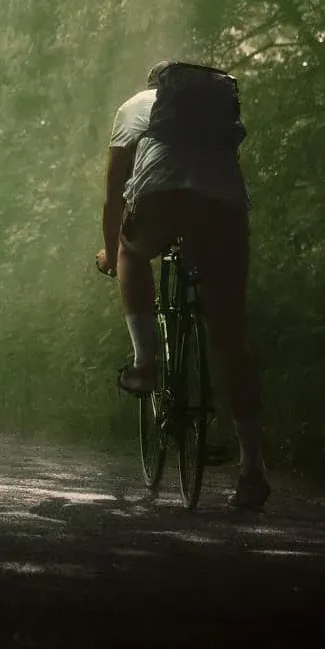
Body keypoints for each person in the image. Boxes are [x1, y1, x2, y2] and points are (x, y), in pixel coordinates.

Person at [94, 60, 270, 511]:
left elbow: (114, 192)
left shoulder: (135, 106)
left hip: (161, 199)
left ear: (156, 86)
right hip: (224, 209)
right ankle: (253, 468)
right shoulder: (217, 114)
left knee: (131, 253)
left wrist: (110, 250)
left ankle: (145, 363)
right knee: (231, 338)